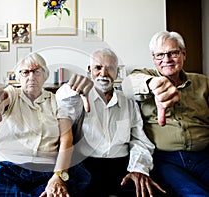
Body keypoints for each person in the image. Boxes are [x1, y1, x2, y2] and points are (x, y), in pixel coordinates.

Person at [0, 52, 90, 197]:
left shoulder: (57, 101)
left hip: (46, 168)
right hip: (5, 166)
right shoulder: (12, 94)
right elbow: (2, 98)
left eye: (36, 71)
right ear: (18, 77)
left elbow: (66, 140)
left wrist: (58, 176)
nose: (31, 77)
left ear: (45, 76)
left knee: (63, 190)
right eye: (25, 72)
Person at [56, 48, 165, 197]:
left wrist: (138, 168)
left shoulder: (129, 101)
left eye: (110, 68)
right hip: (85, 166)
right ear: (89, 70)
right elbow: (62, 101)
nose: (103, 73)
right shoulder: (79, 98)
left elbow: (139, 140)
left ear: (117, 72)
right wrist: (71, 88)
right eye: (98, 68)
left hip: (121, 165)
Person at [121, 31, 209, 196]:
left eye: (173, 53)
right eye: (159, 55)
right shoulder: (144, 77)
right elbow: (127, 86)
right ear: (153, 59)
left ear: (183, 54)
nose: (166, 59)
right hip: (167, 160)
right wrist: (154, 83)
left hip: (203, 156)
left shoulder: (203, 82)